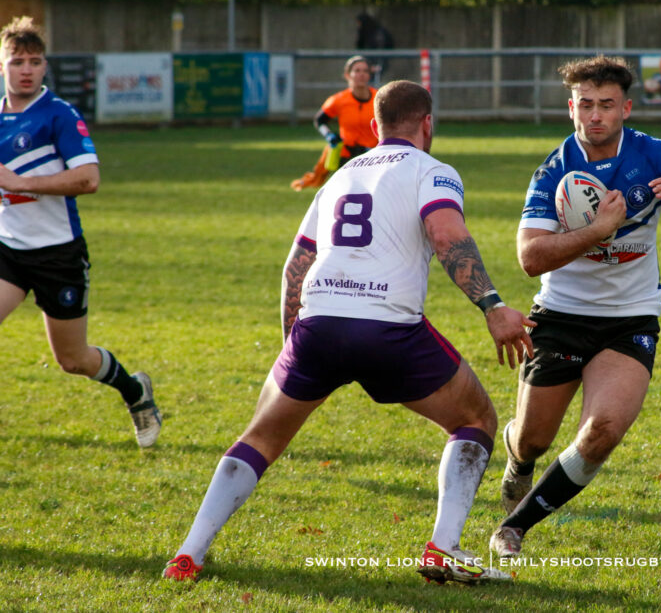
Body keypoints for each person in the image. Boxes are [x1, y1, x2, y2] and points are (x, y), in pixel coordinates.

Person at [164, 80, 535, 584]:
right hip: (388, 330)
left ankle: (189, 553)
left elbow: (296, 267)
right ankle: (443, 549)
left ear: (375, 125)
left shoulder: (338, 178)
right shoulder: (434, 170)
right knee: (475, 419)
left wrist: (292, 345)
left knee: (260, 439)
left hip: (317, 325)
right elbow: (445, 233)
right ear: (428, 124)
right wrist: (493, 306)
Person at [489, 55, 661, 558]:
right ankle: (517, 456)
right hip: (560, 316)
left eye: (605, 105)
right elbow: (529, 258)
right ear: (571, 109)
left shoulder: (655, 154)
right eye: (584, 104)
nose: (594, 114)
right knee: (534, 439)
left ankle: (515, 526)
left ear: (625, 108)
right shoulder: (554, 169)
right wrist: (597, 231)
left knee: (602, 432)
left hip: (631, 318)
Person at [0, 16, 160, 447]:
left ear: (45, 66)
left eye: (35, 61)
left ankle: (134, 390)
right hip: (8, 251)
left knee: (72, 360)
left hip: (58, 255)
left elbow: (88, 180)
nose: (26, 69)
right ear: (3, 66)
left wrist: (22, 182)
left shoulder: (59, 116)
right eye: (17, 62)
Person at [291, 55, 378, 191]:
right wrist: (329, 135)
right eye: (357, 71)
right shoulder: (339, 100)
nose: (362, 74)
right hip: (346, 155)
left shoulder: (380, 98)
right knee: (346, 192)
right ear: (347, 75)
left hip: (372, 155)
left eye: (365, 71)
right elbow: (320, 120)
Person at [356, 13, 394, 87]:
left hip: (377, 62)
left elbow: (384, 47)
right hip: (368, 62)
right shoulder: (363, 32)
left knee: (374, 83)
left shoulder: (378, 33)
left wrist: (376, 65)